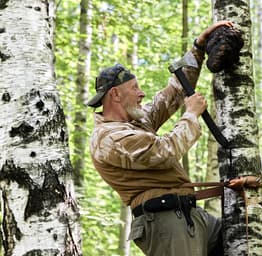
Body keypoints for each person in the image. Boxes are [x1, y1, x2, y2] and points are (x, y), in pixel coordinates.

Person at [87, 21, 234, 256]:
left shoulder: (135, 122)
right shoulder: (109, 137)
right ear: (115, 94)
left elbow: (174, 93)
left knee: (238, 240)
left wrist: (198, 46)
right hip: (166, 223)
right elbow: (164, 151)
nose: (141, 93)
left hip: (189, 216)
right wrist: (191, 114)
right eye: (134, 88)